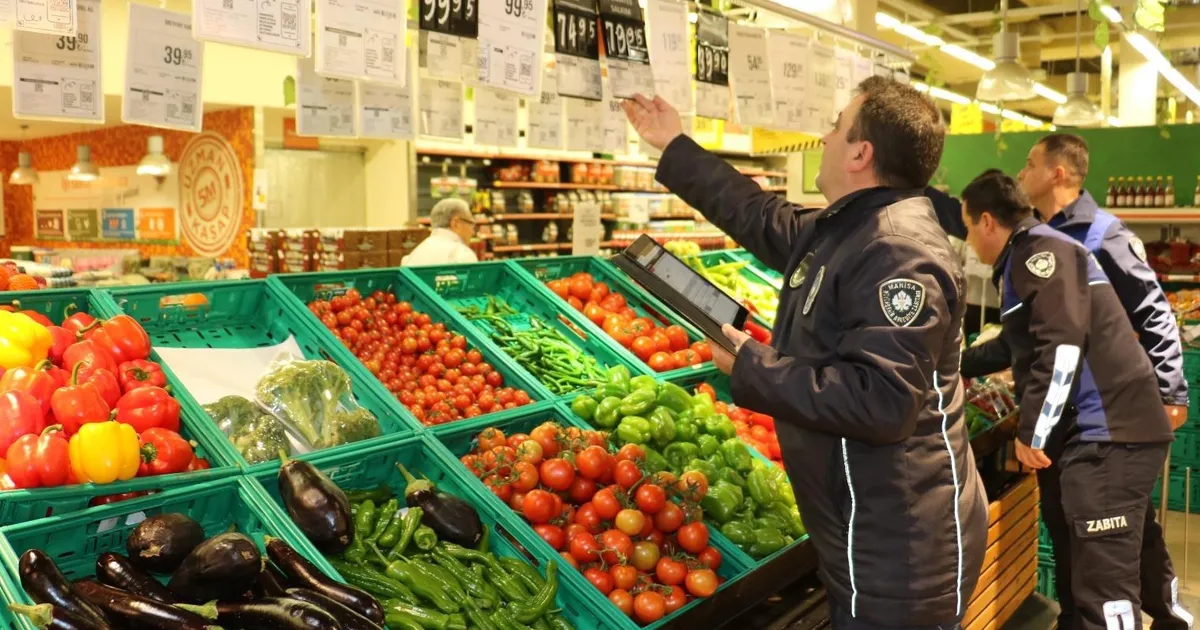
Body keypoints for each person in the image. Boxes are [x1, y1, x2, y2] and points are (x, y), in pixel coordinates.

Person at [622, 77, 988, 629]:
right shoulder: (853, 226)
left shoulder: (898, 251)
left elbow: (882, 402)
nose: (824, 136)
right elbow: (757, 214)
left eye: (837, 127)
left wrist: (753, 366)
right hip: (867, 525)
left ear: (861, 153)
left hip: (901, 548)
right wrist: (675, 145)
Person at [958, 171, 1174, 630]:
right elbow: (1017, 345)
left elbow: (1062, 347)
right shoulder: (1032, 252)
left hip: (1109, 432)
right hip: (1102, 431)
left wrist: (1031, 431)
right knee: (1105, 558)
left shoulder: (1040, 253)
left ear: (987, 221)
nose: (969, 242)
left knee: (1103, 580)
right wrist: (956, 365)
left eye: (968, 228)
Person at [1018, 133, 1191, 630]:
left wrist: (1171, 390)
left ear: (1058, 173)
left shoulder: (1102, 232)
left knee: (1119, 539)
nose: (1022, 174)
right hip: (1067, 417)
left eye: (1030, 164)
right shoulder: (1039, 236)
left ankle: (1164, 617)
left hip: (1110, 417)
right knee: (1091, 534)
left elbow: (1154, 310)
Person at [402, 198, 479, 266]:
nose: (472, 232)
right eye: (471, 223)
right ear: (456, 223)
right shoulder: (461, 254)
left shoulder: (414, 254)